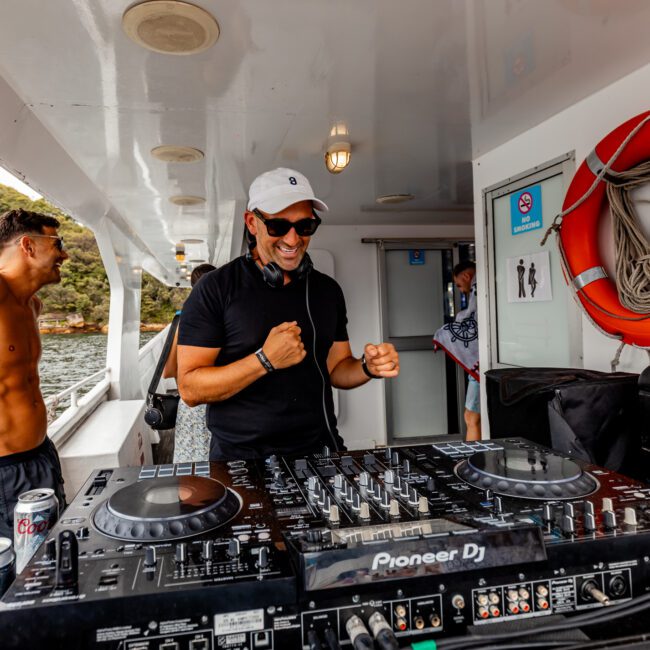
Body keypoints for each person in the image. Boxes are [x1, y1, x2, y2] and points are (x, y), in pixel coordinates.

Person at [177, 167, 400, 460]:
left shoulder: (327, 290)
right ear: (252, 223)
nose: (293, 240)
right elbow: (190, 388)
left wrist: (367, 367)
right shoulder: (215, 289)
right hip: (241, 458)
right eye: (278, 226)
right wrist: (265, 360)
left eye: (305, 226)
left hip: (319, 451)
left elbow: (336, 369)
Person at [0, 209, 69, 537]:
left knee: (52, 560)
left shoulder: (32, 306)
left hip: (42, 456)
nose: (65, 254)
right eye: (58, 244)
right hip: (5, 472)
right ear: (27, 246)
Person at [163, 263, 216, 462]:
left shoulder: (184, 318)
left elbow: (168, 371)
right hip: (221, 400)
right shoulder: (227, 317)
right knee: (220, 467)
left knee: (191, 464)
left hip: (191, 405)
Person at [433, 260, 480, 441]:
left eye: (459, 285)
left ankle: (472, 459)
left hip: (480, 365)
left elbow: (470, 318)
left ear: (467, 276)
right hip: (484, 364)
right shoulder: (481, 285)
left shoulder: (478, 287)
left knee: (471, 417)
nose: (461, 290)